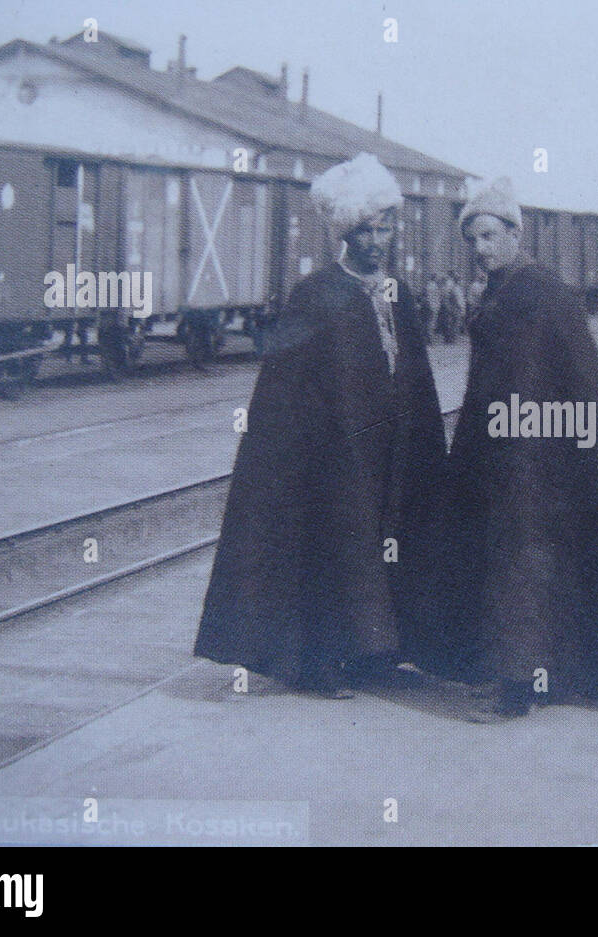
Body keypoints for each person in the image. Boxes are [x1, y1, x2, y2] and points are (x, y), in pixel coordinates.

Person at [193, 153, 446, 698]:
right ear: (344, 234)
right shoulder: (316, 293)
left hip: (391, 452)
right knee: (337, 549)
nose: (378, 241)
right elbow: (285, 392)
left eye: (385, 228)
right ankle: (319, 663)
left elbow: (413, 374)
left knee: (388, 544)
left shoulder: (397, 295)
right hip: (332, 456)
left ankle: (378, 651)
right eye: (366, 231)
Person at [435, 176, 598, 717]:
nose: (481, 250)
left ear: (516, 234)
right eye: (472, 240)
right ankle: (527, 674)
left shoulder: (537, 291)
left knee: (519, 559)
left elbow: (557, 379)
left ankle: (517, 688)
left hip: (535, 456)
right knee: (516, 559)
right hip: (509, 448)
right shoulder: (504, 291)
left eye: (490, 237)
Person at [438, 272, 465, 343]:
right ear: (458, 281)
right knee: (455, 324)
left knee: (451, 323)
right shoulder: (456, 289)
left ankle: (450, 338)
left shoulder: (453, 288)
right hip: (456, 308)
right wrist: (462, 308)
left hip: (452, 307)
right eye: (461, 280)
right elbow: (459, 300)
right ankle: (452, 338)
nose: (462, 282)